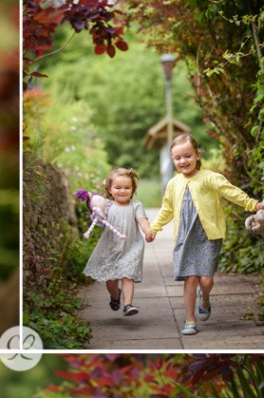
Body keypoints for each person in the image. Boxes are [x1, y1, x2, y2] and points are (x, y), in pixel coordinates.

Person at [145, 133, 264, 336]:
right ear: (173, 160)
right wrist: (154, 228)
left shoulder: (209, 178)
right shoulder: (173, 184)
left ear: (197, 155)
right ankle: (190, 320)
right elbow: (167, 209)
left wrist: (252, 203)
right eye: (178, 158)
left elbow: (230, 191)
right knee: (190, 278)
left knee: (206, 280)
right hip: (185, 238)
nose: (183, 161)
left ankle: (205, 297)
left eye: (188, 156)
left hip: (208, 236)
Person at [82, 168, 152, 317]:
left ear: (133, 189)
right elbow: (98, 216)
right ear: (110, 189)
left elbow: (143, 221)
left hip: (131, 246)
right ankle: (115, 296)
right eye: (118, 187)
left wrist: (148, 232)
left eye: (127, 188)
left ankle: (128, 305)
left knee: (128, 275)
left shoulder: (136, 205)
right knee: (111, 281)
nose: (122, 191)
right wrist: (92, 206)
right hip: (110, 249)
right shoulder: (106, 205)